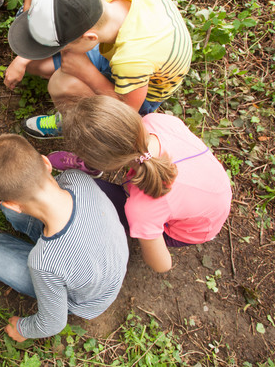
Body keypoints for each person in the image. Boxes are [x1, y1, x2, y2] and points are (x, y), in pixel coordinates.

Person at [0, 134, 128, 340]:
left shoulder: (44, 262)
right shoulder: (77, 178)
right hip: (107, 261)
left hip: (86, 299)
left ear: (13, 203)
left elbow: (53, 323)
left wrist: (22, 329)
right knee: (8, 223)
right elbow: (36, 192)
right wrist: (8, 198)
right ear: (46, 163)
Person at [59, 96, 232, 272]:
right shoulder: (157, 121)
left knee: (82, 187)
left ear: (109, 165)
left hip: (191, 230)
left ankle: (90, 173)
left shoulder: (142, 208)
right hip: (216, 190)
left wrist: (146, 231)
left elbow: (162, 265)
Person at [6, 0, 192, 139]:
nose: (62, 50)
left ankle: (77, 126)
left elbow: (127, 111)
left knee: (62, 84)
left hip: (141, 94)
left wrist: (87, 72)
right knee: (37, 65)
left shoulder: (132, 60)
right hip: (122, 51)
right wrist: (23, 59)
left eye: (64, 45)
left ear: (89, 37)